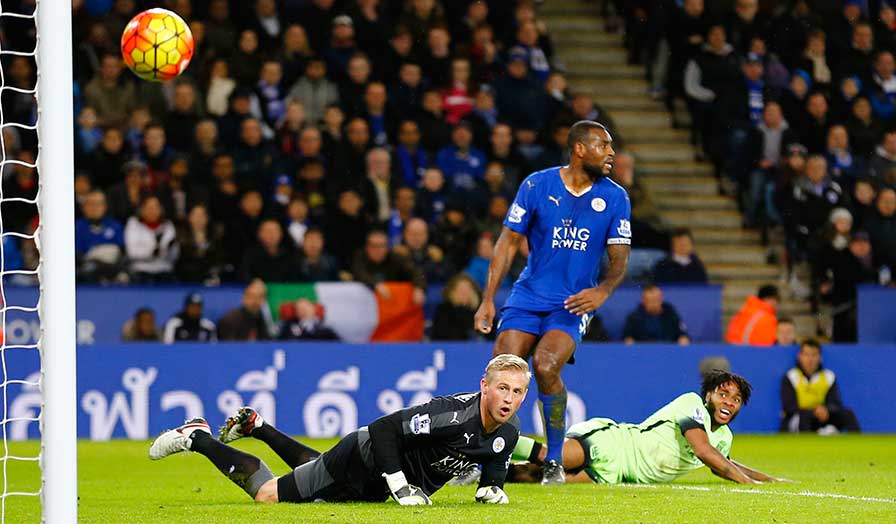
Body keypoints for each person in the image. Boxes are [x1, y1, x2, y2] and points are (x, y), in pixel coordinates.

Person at [148, 354, 530, 506]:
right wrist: (401, 485)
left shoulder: (508, 429)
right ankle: (197, 436)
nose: (508, 398)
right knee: (269, 495)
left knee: (317, 468)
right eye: (501, 387)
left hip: (376, 477)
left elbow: (494, 459)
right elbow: (383, 429)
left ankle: (258, 427)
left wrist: (491, 488)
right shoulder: (452, 416)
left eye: (516, 391)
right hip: (363, 457)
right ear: (484, 386)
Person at [474, 120, 630, 485]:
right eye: (603, 146)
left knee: (545, 366)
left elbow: (620, 256)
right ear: (579, 149)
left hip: (572, 303)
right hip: (528, 295)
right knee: (502, 369)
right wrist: (487, 300)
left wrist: (603, 290)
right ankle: (480, 456)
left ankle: (555, 459)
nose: (611, 153)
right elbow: (508, 242)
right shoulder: (537, 184)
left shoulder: (615, 196)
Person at [506, 371, 785, 485]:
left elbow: (724, 463)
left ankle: (483, 469)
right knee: (550, 458)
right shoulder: (692, 404)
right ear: (709, 395)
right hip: (614, 445)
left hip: (619, 474)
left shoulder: (723, 436)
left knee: (533, 476)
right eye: (723, 394)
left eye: (736, 399)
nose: (729, 403)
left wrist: (770, 481)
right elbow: (703, 451)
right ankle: (498, 438)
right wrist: (750, 485)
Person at [780, 340, 861, 434]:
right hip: (799, 417)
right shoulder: (791, 376)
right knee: (804, 417)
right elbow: (789, 407)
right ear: (800, 356)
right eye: (806, 354)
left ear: (820, 357)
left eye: (814, 355)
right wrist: (813, 411)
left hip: (822, 416)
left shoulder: (828, 376)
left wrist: (825, 409)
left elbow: (835, 402)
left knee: (848, 414)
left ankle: (859, 446)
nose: (810, 359)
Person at [622, 285, 690, 345]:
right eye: (651, 301)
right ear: (643, 301)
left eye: (657, 300)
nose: (654, 304)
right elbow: (627, 337)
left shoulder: (671, 314)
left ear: (661, 299)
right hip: (644, 353)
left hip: (668, 352)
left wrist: (683, 340)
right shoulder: (634, 317)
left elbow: (683, 334)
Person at [431, 274, 481, 341]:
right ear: (452, 291)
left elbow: (488, 332)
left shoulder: (481, 311)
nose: (464, 292)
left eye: (468, 289)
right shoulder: (443, 310)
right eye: (460, 289)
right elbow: (441, 333)